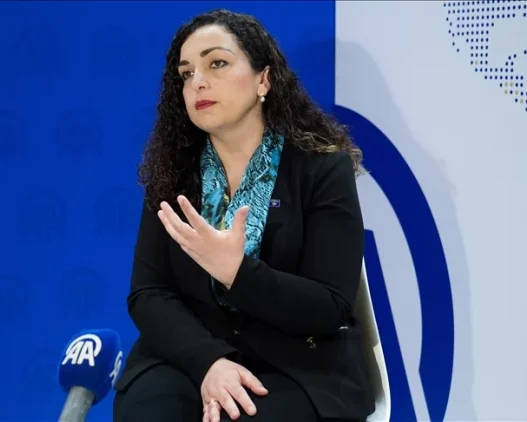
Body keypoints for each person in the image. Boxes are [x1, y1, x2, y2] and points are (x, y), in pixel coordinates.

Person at [113, 9, 374, 422]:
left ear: (263, 80)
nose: (198, 81)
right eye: (186, 73)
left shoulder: (323, 170)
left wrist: (237, 272)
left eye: (217, 63)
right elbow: (149, 293)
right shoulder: (172, 174)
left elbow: (330, 306)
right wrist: (208, 362)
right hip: (189, 355)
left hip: (299, 365)